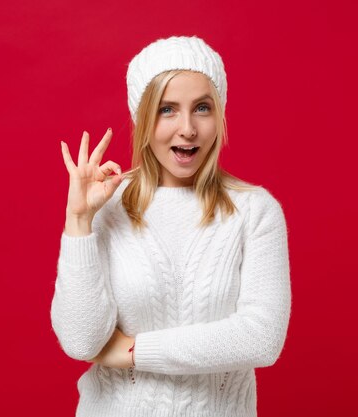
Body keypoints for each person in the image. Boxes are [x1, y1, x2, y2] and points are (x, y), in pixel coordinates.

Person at [50, 35, 291, 417]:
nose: (188, 128)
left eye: (202, 108)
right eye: (167, 110)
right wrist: (79, 220)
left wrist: (133, 351)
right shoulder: (107, 206)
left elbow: (261, 338)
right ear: (143, 118)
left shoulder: (255, 212)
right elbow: (82, 341)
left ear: (220, 114)